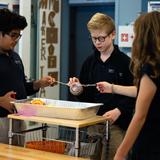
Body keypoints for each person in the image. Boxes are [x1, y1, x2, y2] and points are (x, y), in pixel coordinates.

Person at [68, 13, 135, 160]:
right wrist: (78, 90)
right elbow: (87, 95)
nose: (97, 43)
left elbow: (136, 95)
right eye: (94, 38)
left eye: (101, 38)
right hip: (94, 121)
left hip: (117, 124)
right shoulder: (89, 62)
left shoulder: (126, 63)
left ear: (113, 35)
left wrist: (120, 110)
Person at [0, 8, 55, 144]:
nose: (16, 40)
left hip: (19, 118)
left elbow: (23, 87)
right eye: (13, 35)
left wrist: (38, 84)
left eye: (19, 35)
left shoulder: (15, 56)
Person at [114, 11, 160, 160]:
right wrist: (113, 87)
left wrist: (121, 152)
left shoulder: (151, 68)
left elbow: (140, 116)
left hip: (151, 142)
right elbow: (145, 93)